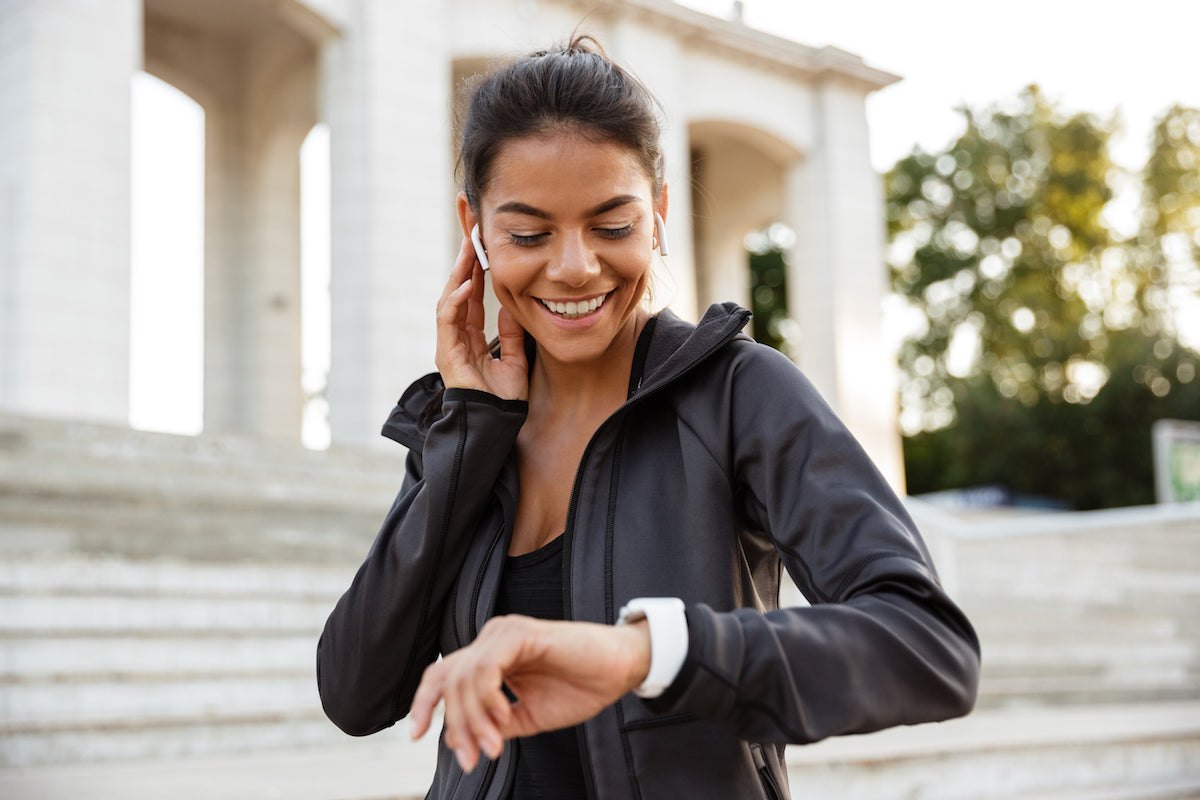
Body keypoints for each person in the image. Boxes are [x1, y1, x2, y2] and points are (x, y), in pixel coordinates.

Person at [316, 36, 980, 800]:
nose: (573, 267)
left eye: (612, 225)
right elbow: (355, 692)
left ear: (659, 212)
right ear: (476, 231)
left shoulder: (738, 393)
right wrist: (466, 432)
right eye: (528, 234)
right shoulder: (464, 428)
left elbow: (928, 646)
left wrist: (647, 652)